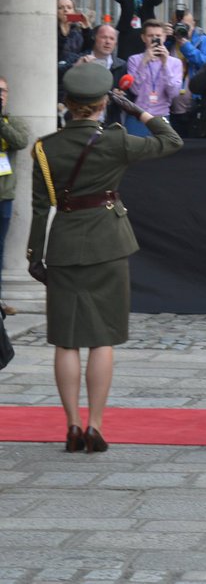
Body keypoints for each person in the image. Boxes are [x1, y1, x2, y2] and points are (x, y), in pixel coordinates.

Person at [26, 64, 182, 453]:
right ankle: (95, 425)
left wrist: (34, 255)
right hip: (108, 246)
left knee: (66, 341)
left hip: (63, 245)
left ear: (67, 104)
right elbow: (171, 139)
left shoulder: (45, 147)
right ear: (102, 104)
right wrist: (136, 110)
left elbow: (39, 207)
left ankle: (72, 425)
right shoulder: (116, 141)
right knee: (102, 340)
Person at [0, 77, 30, 316]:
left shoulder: (12, 122)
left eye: (3, 91)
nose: (0, 95)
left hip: (3, 196)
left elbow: (20, 141)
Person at [123, 20, 183, 137]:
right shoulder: (134, 60)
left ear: (164, 37)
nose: (154, 39)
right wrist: (144, 62)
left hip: (162, 116)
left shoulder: (175, 63)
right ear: (143, 38)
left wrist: (165, 64)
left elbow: (174, 93)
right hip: (138, 115)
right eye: (150, 36)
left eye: (158, 36)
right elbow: (134, 90)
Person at [71, 25, 127, 125]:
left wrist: (119, 95)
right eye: (104, 37)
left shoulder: (122, 66)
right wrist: (76, 69)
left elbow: (129, 97)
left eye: (112, 38)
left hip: (110, 123)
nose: (108, 42)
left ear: (116, 43)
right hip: (82, 121)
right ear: (94, 38)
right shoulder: (79, 59)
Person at [56, 0, 93, 73]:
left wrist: (86, 30)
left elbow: (89, 50)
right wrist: (63, 35)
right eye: (60, 8)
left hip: (75, 72)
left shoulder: (77, 31)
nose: (65, 10)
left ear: (74, 12)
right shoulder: (51, 31)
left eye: (69, 8)